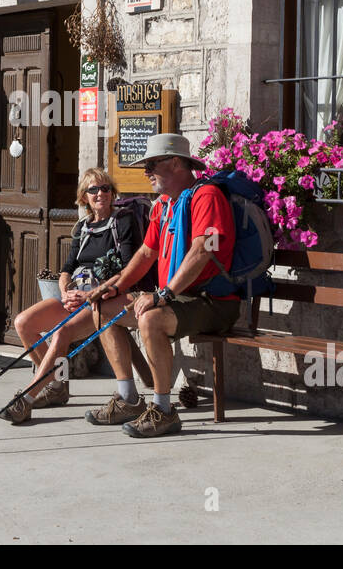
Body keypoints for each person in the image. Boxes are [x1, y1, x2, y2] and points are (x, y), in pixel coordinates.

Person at [82, 133, 239, 438]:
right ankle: (128, 398)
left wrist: (163, 294)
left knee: (150, 318)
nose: (146, 171)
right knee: (103, 309)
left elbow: (203, 249)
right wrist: (115, 287)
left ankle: (164, 410)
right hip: (179, 299)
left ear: (176, 163)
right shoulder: (164, 204)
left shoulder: (207, 197)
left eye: (152, 164)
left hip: (214, 300)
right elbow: (146, 253)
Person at [0, 169, 141, 424]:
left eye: (106, 188)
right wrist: (66, 292)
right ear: (84, 197)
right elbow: (66, 270)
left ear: (112, 193)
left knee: (61, 332)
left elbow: (129, 269)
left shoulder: (123, 222)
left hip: (103, 300)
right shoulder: (83, 228)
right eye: (94, 190)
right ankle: (57, 386)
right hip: (76, 297)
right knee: (23, 323)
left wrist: (91, 294)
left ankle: (28, 398)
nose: (101, 194)